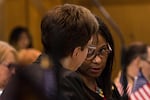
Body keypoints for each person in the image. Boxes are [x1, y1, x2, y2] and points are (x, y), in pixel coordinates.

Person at [1, 4, 98, 100]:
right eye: (88, 48)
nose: (87, 54)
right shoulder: (66, 79)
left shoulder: (24, 74)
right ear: (76, 52)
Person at [60, 16, 120, 100]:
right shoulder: (68, 91)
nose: (98, 60)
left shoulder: (107, 86)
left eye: (102, 50)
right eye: (89, 52)